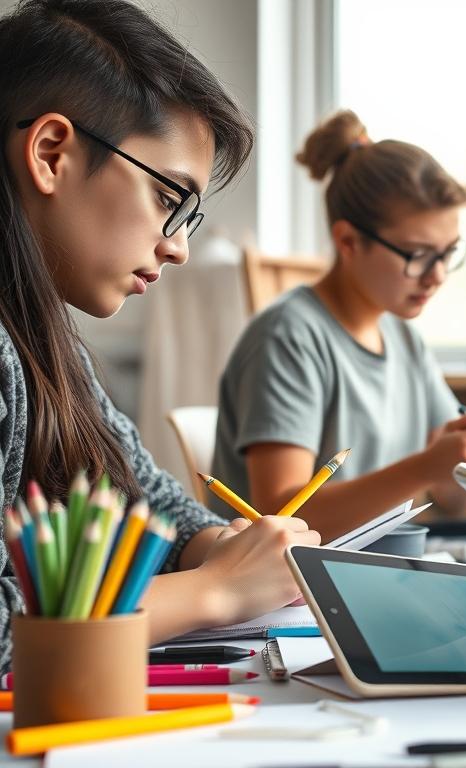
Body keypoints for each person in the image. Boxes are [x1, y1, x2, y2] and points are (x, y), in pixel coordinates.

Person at [0, 0, 322, 665]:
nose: (176, 248)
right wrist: (213, 592)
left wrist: (214, 547)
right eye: (169, 199)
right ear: (52, 153)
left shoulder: (41, 330)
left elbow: (145, 497)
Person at [211, 110, 466, 540]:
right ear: (349, 242)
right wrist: (427, 465)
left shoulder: (404, 340)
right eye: (418, 255)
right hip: (290, 591)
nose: (438, 275)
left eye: (448, 253)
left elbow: (454, 502)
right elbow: (277, 516)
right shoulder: (288, 337)